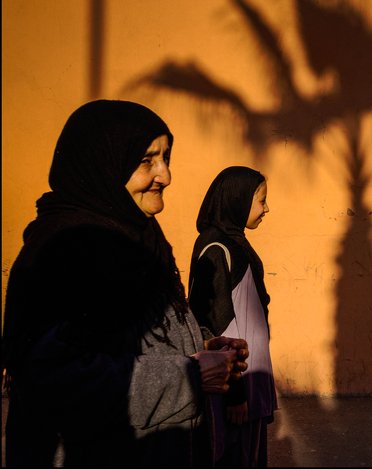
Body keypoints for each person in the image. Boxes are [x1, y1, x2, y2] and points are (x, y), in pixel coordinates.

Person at [2, 99, 250, 467]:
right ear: (103, 164)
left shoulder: (138, 235)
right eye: (147, 161)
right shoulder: (65, 252)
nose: (165, 175)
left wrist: (201, 344)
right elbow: (56, 380)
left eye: (166, 157)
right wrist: (189, 374)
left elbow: (134, 334)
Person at [188, 166, 278, 467]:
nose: (266, 208)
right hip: (236, 386)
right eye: (261, 200)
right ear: (238, 200)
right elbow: (216, 324)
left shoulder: (236, 243)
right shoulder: (217, 248)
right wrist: (235, 392)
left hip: (250, 382)